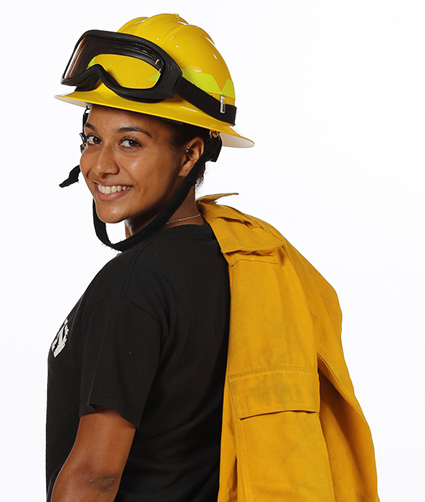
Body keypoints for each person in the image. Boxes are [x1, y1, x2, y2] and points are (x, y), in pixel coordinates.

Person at [46, 14, 379, 502]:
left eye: (131, 142)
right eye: (93, 138)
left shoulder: (132, 286)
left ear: (189, 155)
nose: (101, 164)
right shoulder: (242, 263)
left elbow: (95, 476)